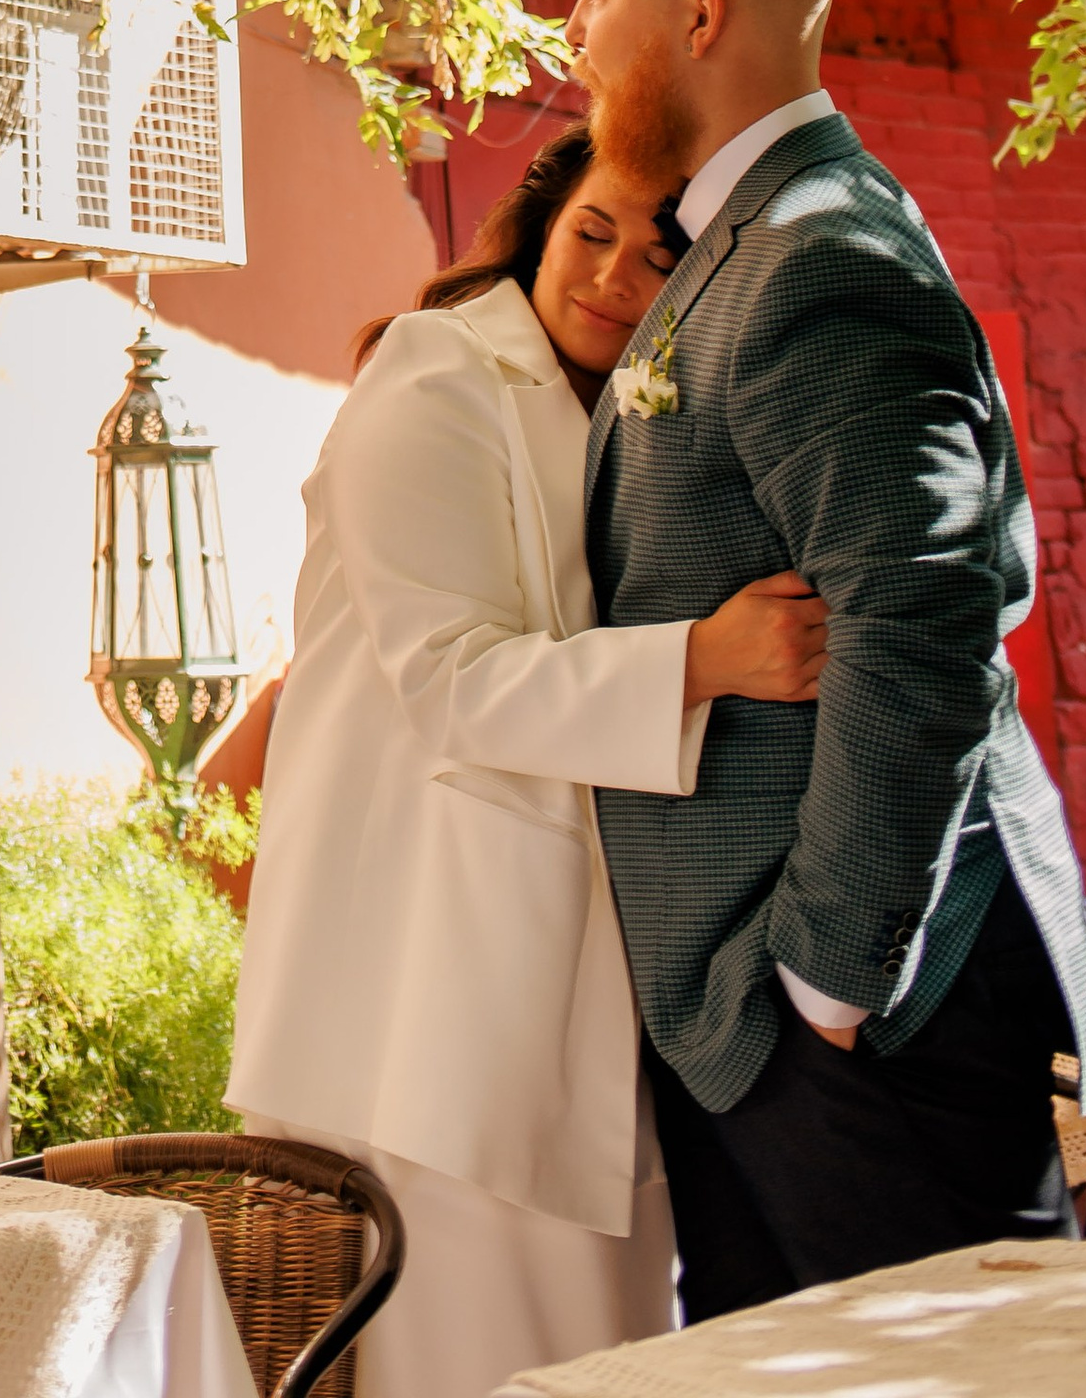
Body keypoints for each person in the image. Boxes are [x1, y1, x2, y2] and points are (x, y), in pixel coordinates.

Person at [574, 0, 1086, 1317]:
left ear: (696, 13)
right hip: (768, 1027)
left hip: (870, 1018)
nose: (575, 27)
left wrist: (827, 981)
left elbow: (922, 625)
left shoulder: (821, 256)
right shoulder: (746, 242)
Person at [226, 128, 827, 1398]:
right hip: (433, 971)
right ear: (540, 230)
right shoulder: (435, 374)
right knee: (485, 1348)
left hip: (569, 971)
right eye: (591, 232)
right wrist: (705, 660)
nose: (612, 273)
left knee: (594, 1342)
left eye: (657, 254)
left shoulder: (625, 415)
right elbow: (452, 674)